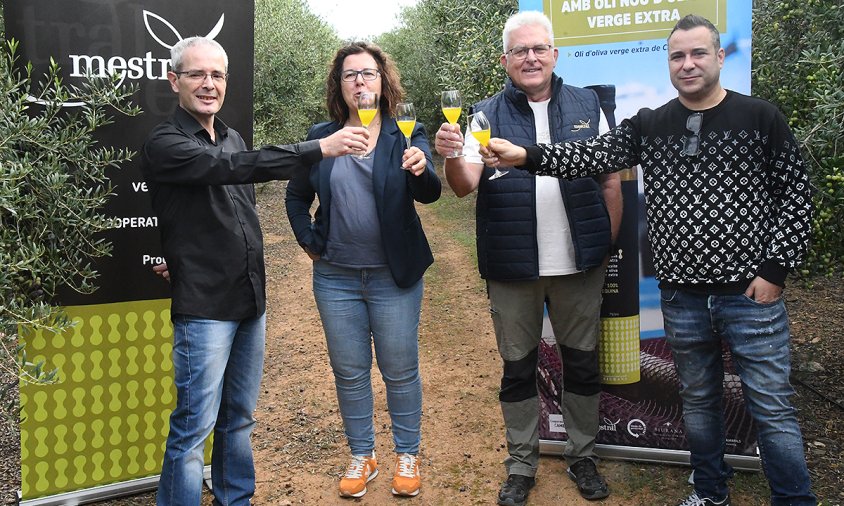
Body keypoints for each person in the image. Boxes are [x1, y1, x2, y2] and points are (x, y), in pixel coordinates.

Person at [483, 14, 817, 506]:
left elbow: (797, 194)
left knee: (770, 407)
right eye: (678, 56)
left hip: (749, 294)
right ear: (668, 64)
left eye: (698, 53)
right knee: (699, 402)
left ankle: (794, 500)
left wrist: (775, 270)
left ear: (719, 58)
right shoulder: (650, 123)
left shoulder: (759, 116)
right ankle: (709, 492)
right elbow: (587, 158)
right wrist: (526, 157)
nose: (688, 64)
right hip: (680, 294)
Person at [141, 36, 369, 506]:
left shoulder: (231, 136)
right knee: (192, 431)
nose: (209, 85)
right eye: (197, 75)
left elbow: (226, 212)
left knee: (239, 418)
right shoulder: (166, 142)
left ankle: (235, 500)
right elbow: (229, 169)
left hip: (249, 299)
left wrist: (180, 254)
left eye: (218, 75)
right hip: (204, 307)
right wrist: (316, 149)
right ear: (174, 81)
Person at [434, 11, 621, 505]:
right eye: (520, 50)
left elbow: (609, 180)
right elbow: (463, 186)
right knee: (518, 368)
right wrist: (452, 154)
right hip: (512, 265)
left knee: (582, 365)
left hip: (579, 265)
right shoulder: (483, 113)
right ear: (506, 60)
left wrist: (604, 246)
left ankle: (582, 456)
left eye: (539, 48)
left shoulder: (589, 104)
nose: (531, 57)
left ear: (555, 54)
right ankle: (521, 463)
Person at [285, 41, 441, 499]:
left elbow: (430, 193)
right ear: (340, 85)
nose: (359, 81)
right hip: (335, 276)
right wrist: (308, 240)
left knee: (399, 369)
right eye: (350, 74)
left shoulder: (405, 130)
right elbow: (296, 198)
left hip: (394, 276)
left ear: (382, 80)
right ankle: (362, 455)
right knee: (349, 371)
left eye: (368, 73)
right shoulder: (322, 133)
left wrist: (420, 168)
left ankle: (407, 454)